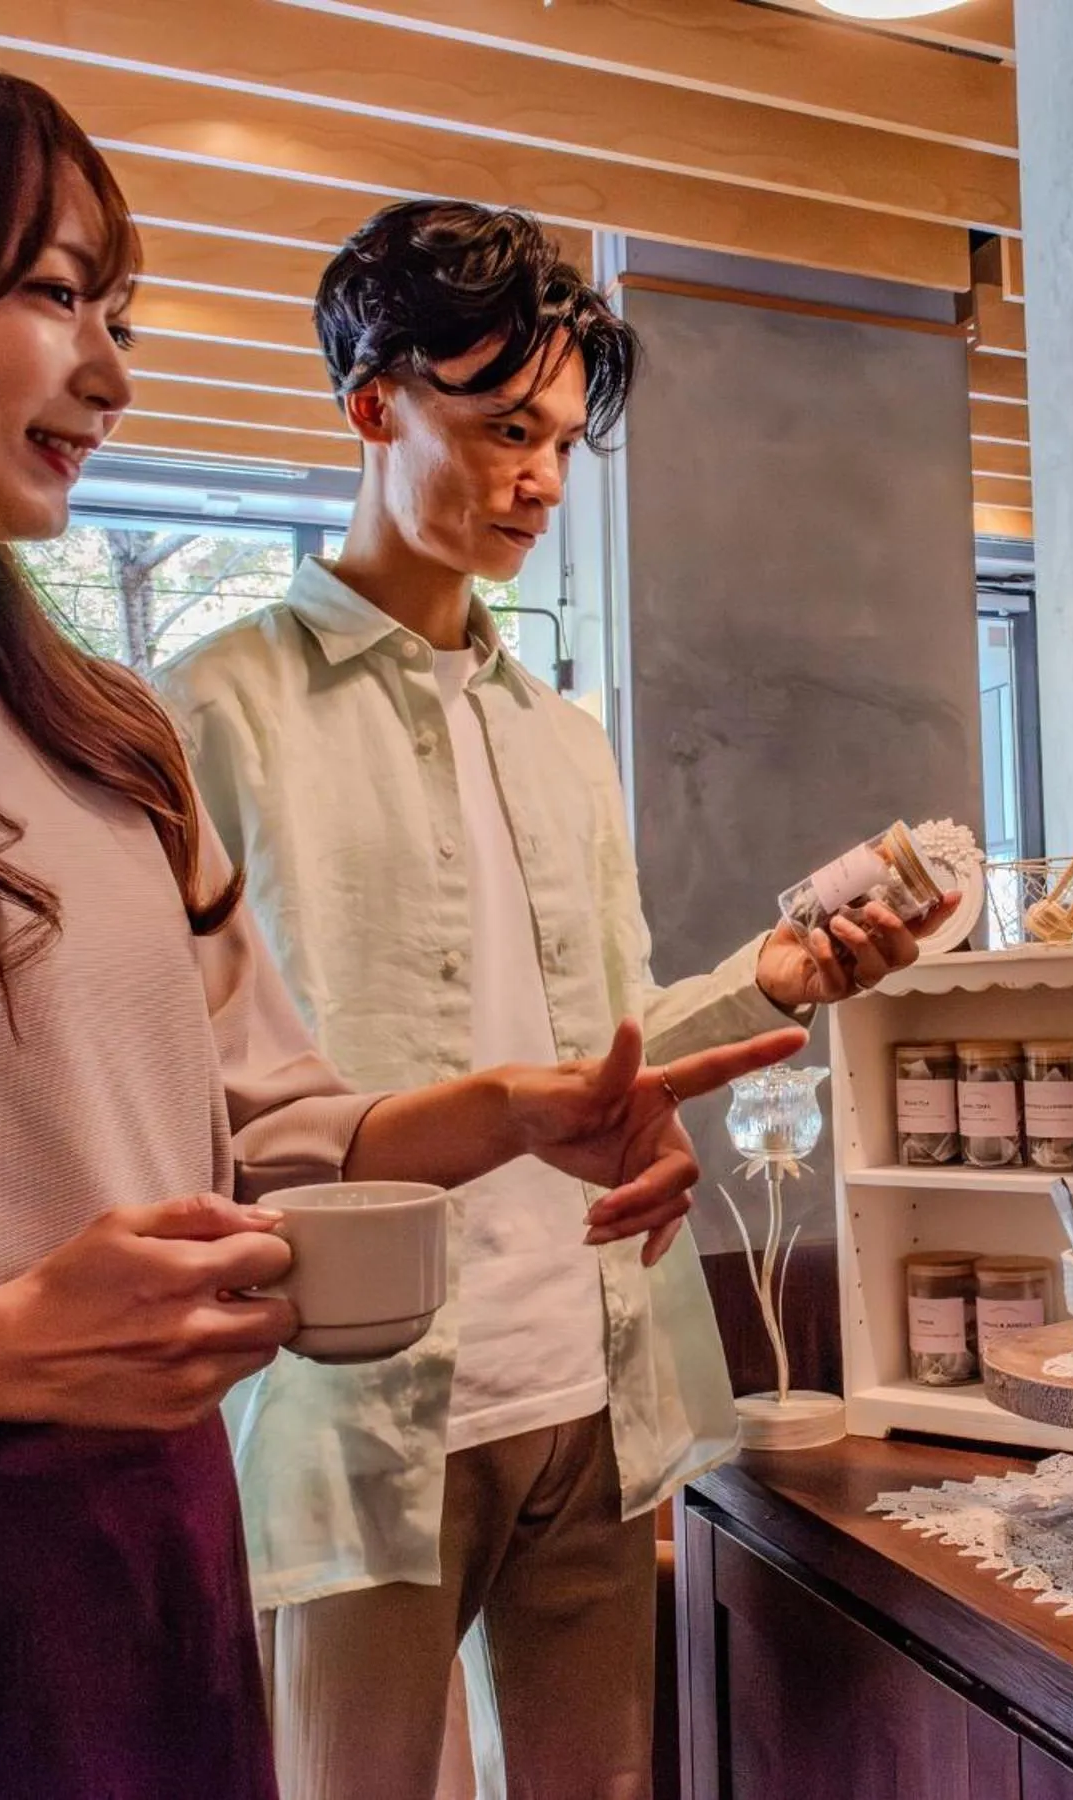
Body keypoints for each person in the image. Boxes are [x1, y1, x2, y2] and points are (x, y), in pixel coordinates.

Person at [0, 21, 800, 1799]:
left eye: (117, 315)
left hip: (154, 1544)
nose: (112, 375)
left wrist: (519, 1114)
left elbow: (277, 1121)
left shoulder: (98, 731)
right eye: (59, 297)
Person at [158, 200, 949, 1800]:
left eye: (566, 442)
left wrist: (775, 977)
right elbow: (186, 1090)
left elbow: (607, 1048)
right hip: (352, 1394)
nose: (541, 476)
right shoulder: (208, 712)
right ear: (374, 403)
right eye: (505, 425)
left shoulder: (560, 738)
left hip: (593, 1371)